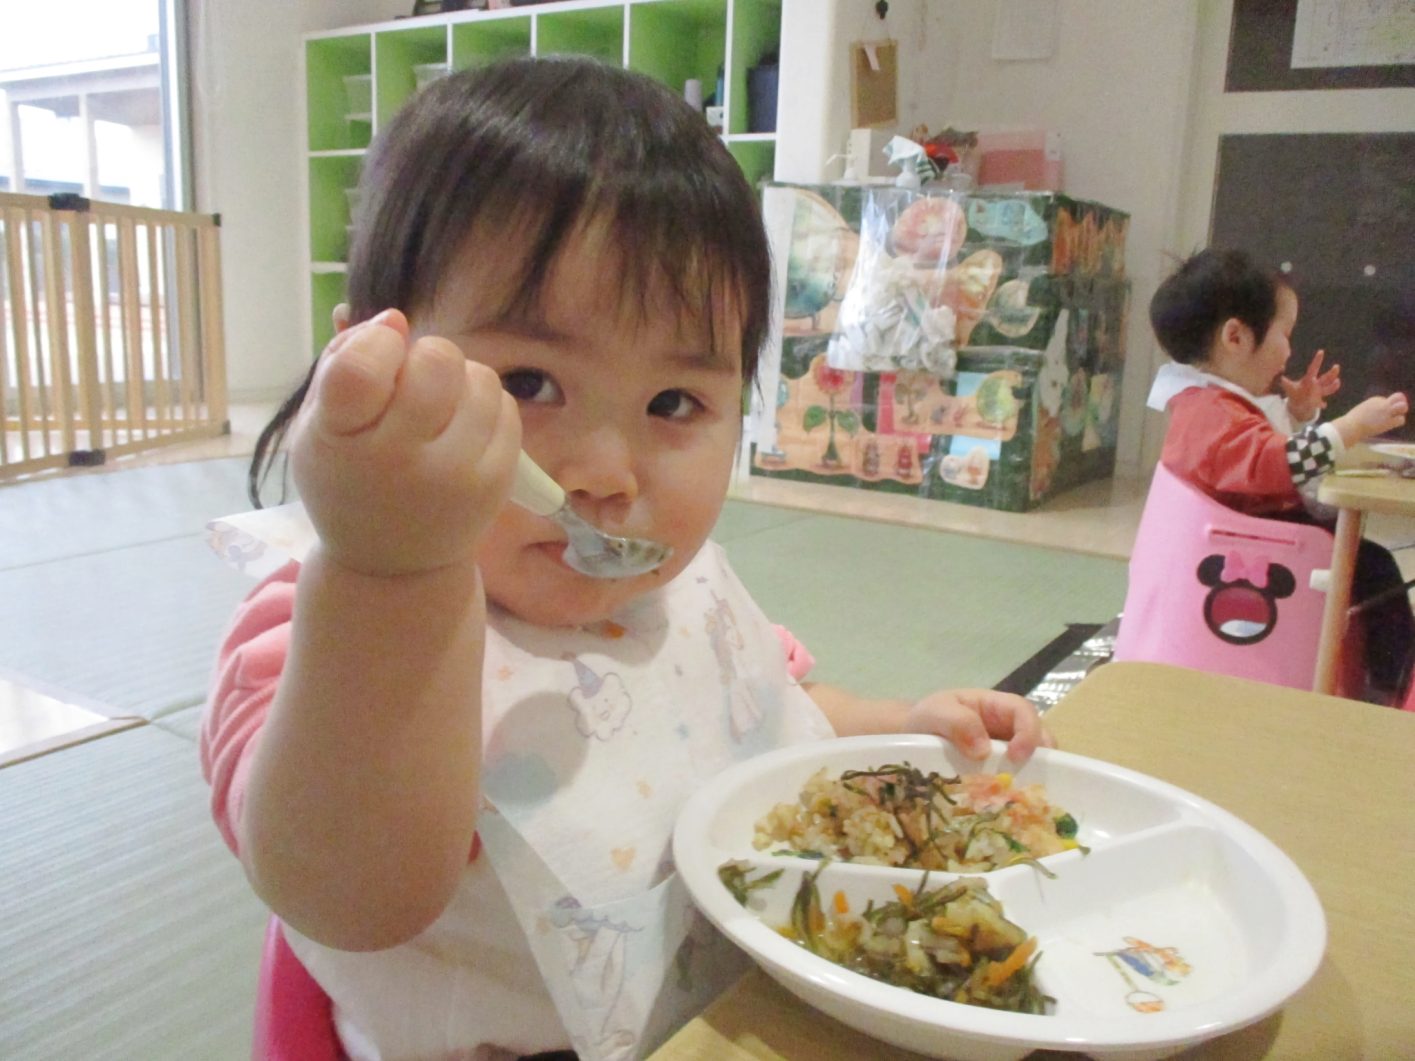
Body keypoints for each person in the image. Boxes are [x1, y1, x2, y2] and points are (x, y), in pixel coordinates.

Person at [200, 56, 1052, 1060]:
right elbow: (349, 893)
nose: (606, 473)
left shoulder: (676, 587)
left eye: (673, 403)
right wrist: (389, 569)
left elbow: (768, 707)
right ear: (371, 366)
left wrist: (898, 724)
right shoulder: (333, 619)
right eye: (529, 381)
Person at [1146, 248, 1413, 703]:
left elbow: (1258, 447)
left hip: (1259, 532)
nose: (1289, 350)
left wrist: (1298, 411)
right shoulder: (1209, 411)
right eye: (1285, 334)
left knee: (1366, 558)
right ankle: (1389, 687)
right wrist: (1349, 428)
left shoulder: (1208, 400)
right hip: (1259, 543)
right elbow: (1277, 464)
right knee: (1373, 567)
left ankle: (1377, 674)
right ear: (1235, 337)